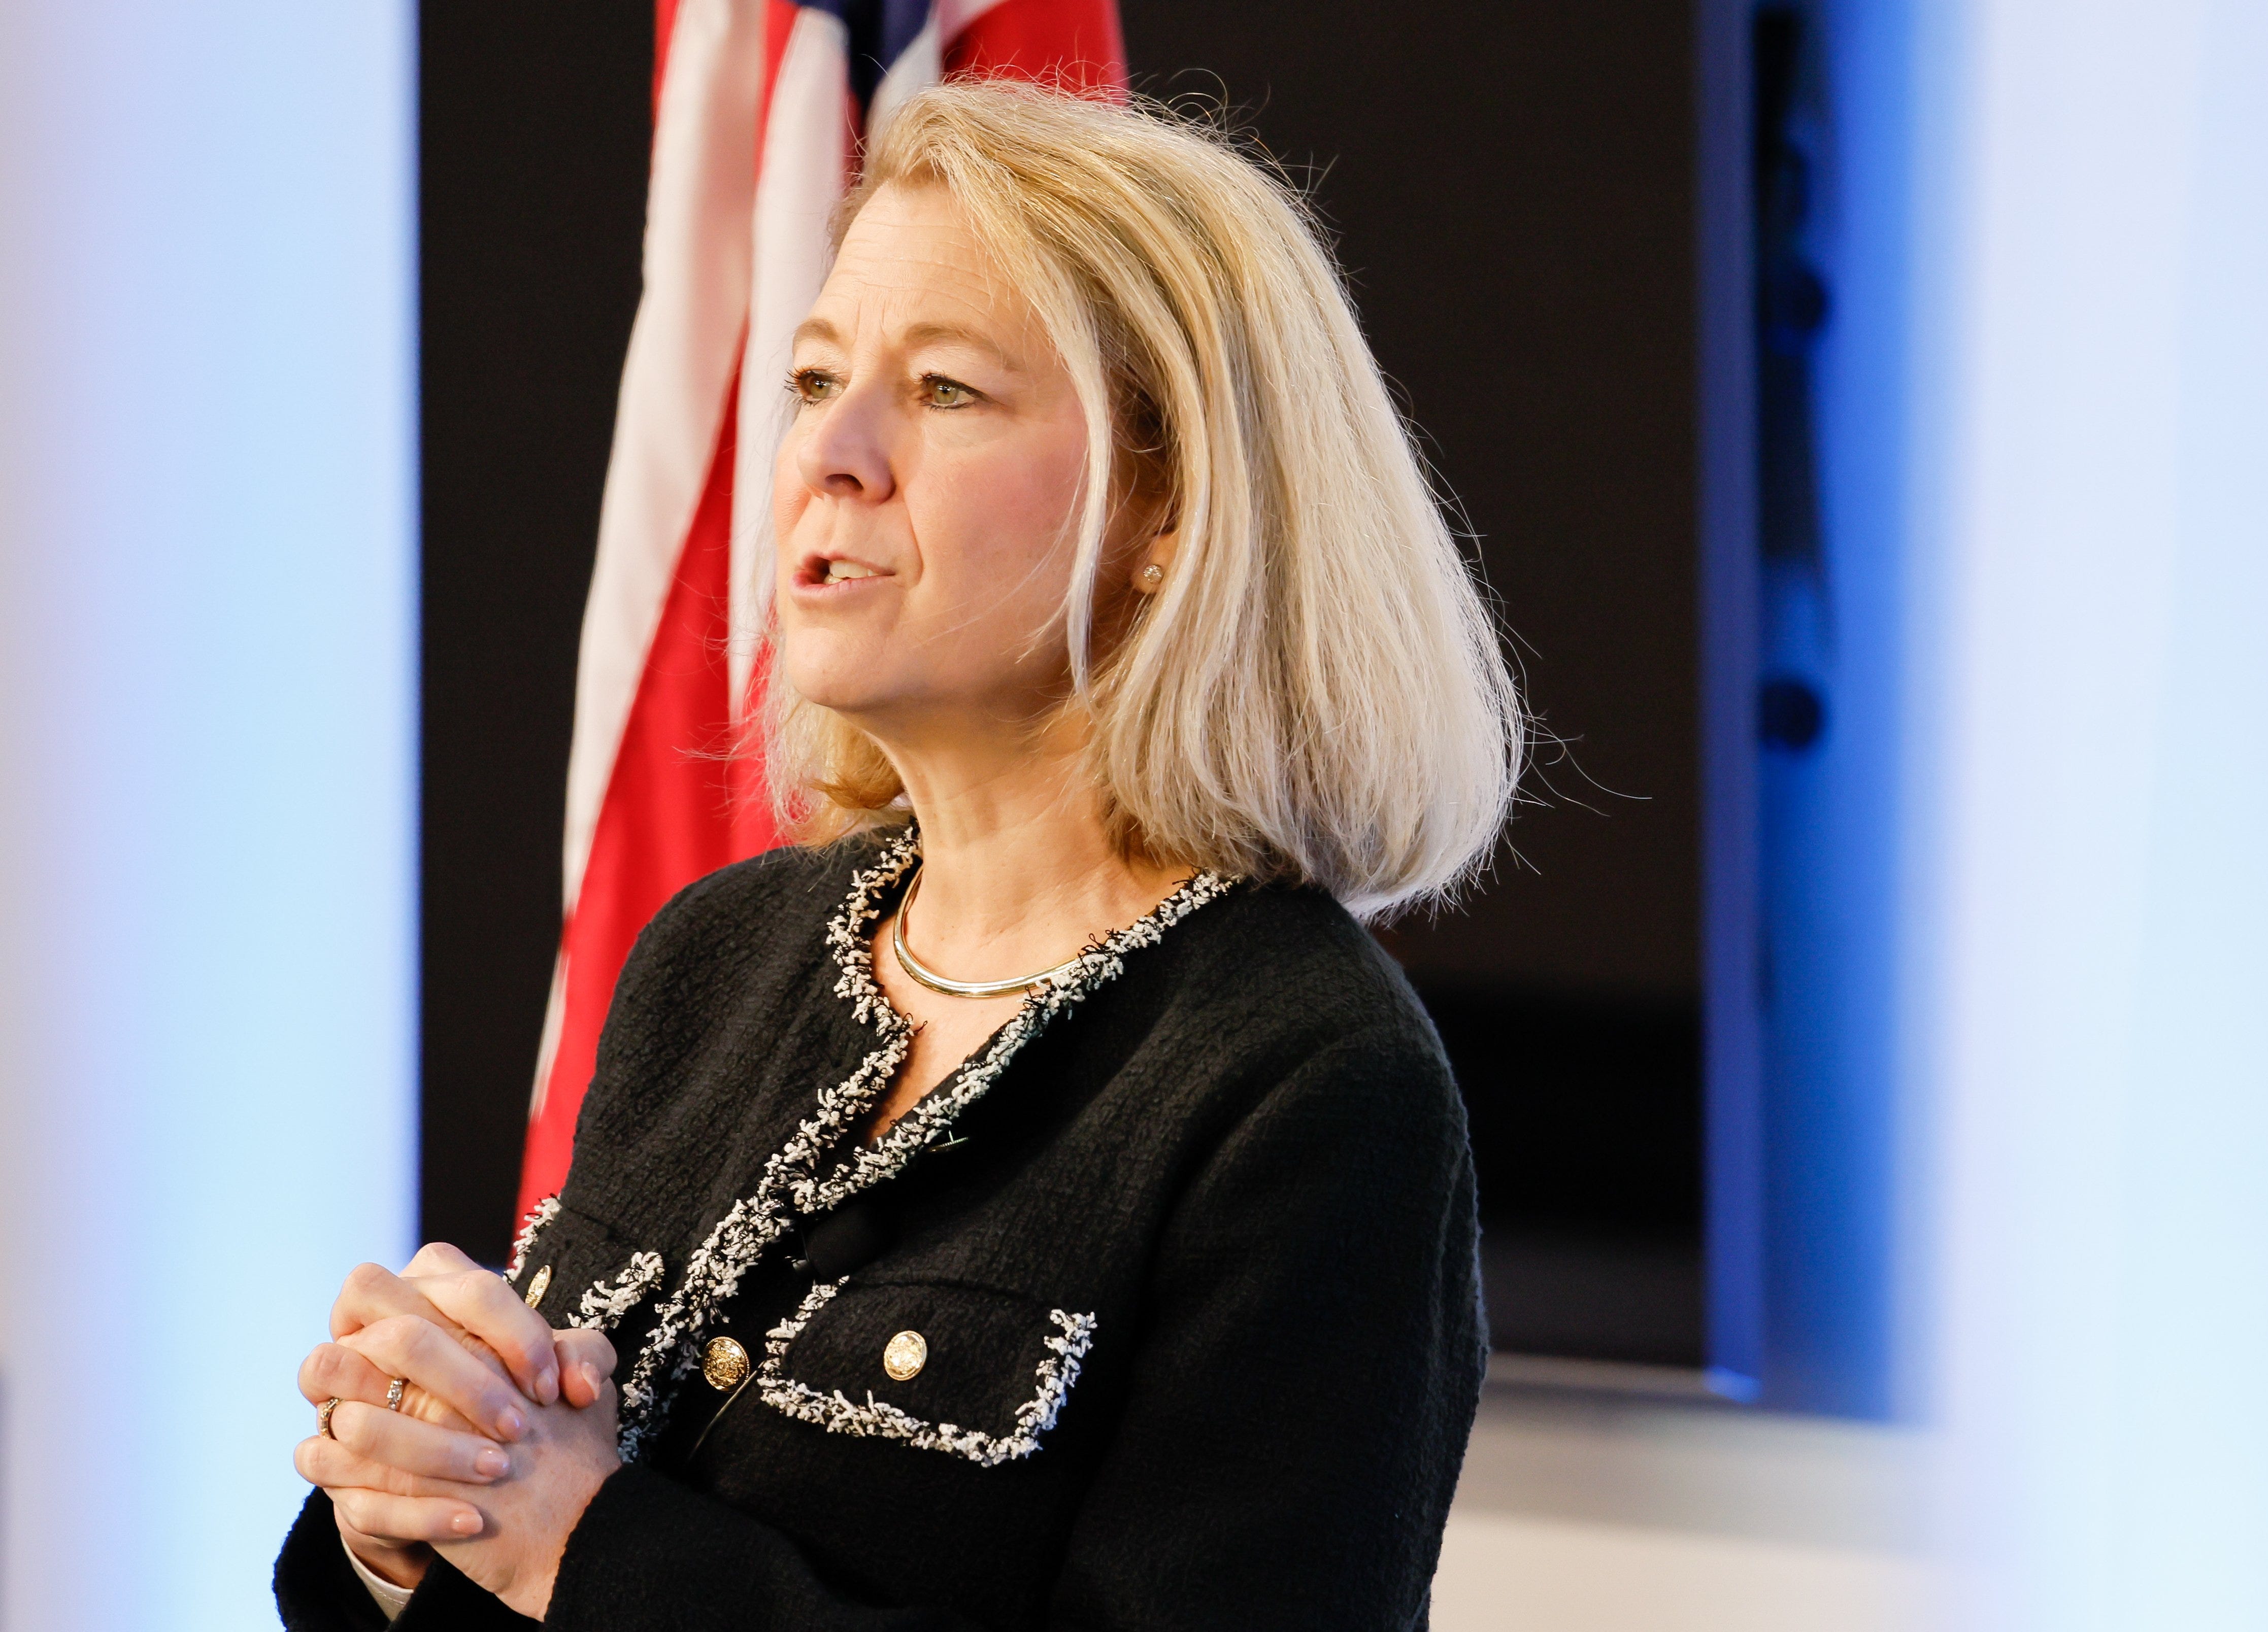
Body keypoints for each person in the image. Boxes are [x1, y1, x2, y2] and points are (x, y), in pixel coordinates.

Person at [277, 80, 1522, 1631]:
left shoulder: (1311, 1079)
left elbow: (585, 1558)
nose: (831, 455)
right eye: (815, 379)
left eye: (944, 390)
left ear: (1171, 508)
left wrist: (584, 1549)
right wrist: (423, 1503)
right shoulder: (720, 952)